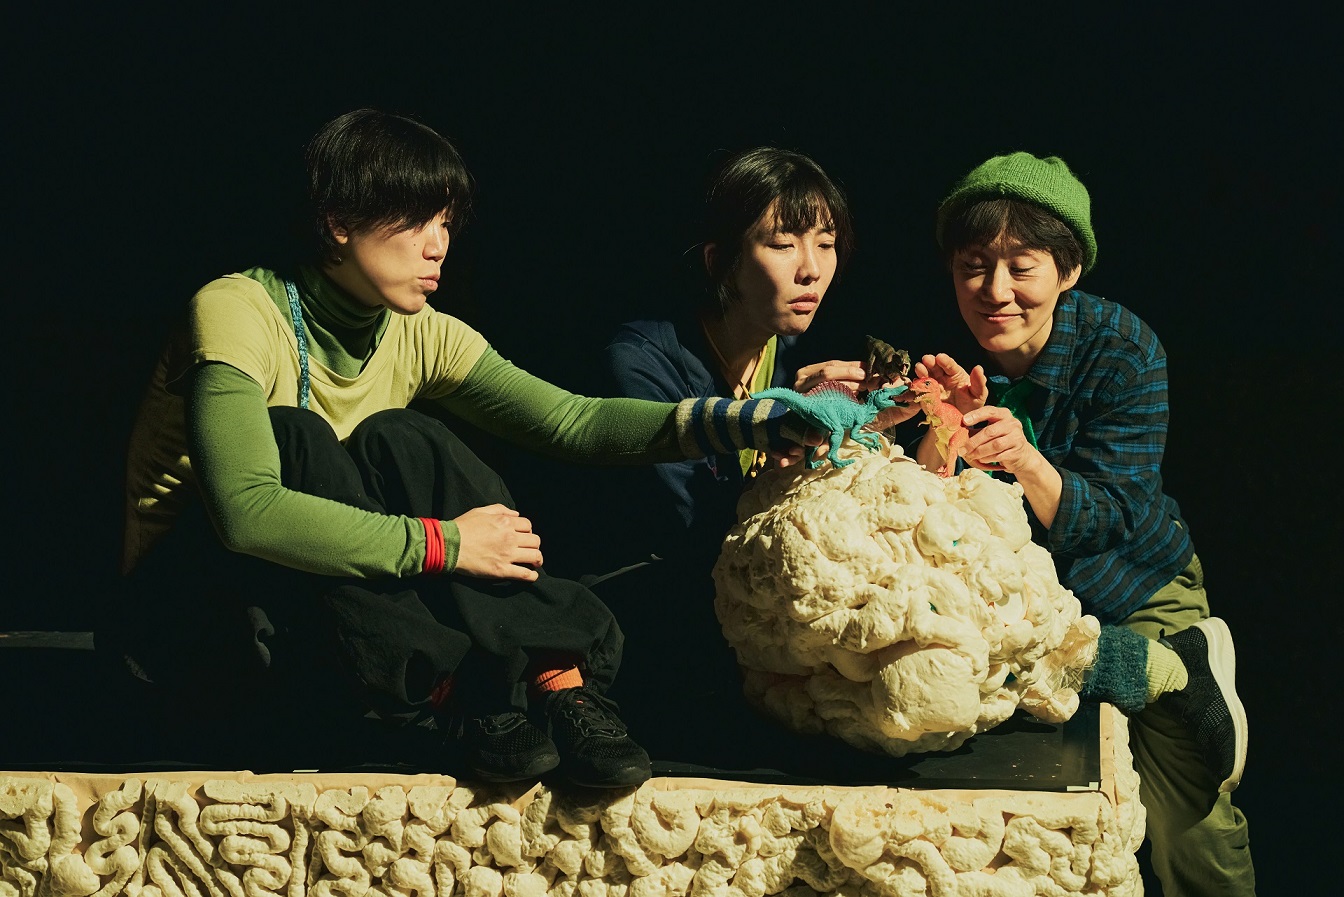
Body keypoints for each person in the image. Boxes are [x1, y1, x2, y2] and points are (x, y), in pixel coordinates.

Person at [99, 110, 820, 789]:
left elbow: (572, 421)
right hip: (190, 636)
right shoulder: (238, 309)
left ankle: (554, 680)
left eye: (445, 222)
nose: (437, 244)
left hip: (317, 633)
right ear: (338, 223)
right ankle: (441, 695)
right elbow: (247, 512)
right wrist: (446, 544)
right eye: (415, 219)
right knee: (294, 437)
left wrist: (751, 420)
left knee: (401, 438)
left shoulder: (418, 330)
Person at [907, 151, 1253, 893]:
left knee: (1185, 812)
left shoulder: (1124, 351)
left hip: (1131, 583)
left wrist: (1026, 461)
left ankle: (1179, 667)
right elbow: (922, 508)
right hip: (1008, 598)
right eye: (973, 267)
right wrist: (937, 428)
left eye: (1021, 268)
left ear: (1067, 271)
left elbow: (1116, 514)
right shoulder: (941, 348)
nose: (995, 292)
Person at [597, 146, 907, 761]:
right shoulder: (640, 363)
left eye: (826, 243)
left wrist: (870, 421)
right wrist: (785, 441)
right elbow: (687, 528)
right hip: (650, 627)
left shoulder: (786, 353)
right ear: (721, 261)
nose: (811, 269)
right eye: (783, 244)